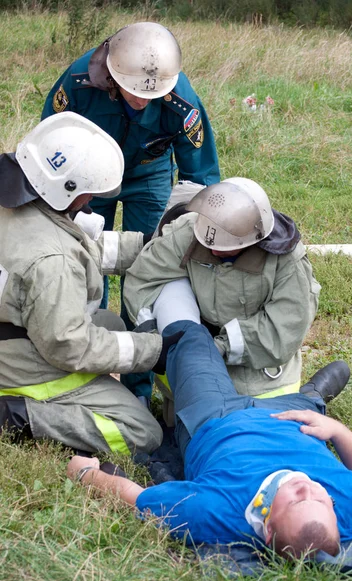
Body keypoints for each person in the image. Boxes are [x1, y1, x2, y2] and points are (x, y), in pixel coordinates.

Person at [67, 282, 352, 558]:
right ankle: (315, 395)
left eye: (296, 500)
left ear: (267, 529)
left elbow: (134, 497)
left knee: (191, 341)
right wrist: (340, 433)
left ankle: (163, 316)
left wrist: (85, 474)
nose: (306, 487)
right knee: (309, 408)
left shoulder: (215, 512)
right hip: (293, 419)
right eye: (321, 498)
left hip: (216, 417)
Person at [42, 21, 221, 405]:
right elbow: (50, 142)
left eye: (152, 95)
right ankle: (89, 369)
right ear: (113, 75)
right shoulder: (77, 83)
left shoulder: (180, 100)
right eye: (135, 92)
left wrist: (199, 228)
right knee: (84, 256)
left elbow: (199, 176)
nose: (143, 100)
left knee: (151, 264)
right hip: (90, 176)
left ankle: (138, 386)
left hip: (149, 174)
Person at [0, 112, 182, 456]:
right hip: (22, 365)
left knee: (110, 323)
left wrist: (149, 247)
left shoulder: (19, 203)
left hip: (14, 328)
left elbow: (80, 248)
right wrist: (153, 351)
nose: (90, 201)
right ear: (65, 189)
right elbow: (70, 347)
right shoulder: (52, 261)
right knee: (142, 433)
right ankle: (21, 414)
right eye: (88, 193)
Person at [123, 177, 321, 423]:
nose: (215, 251)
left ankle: (311, 397)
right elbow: (145, 279)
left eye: (226, 248)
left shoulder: (287, 261)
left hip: (262, 383)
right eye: (210, 244)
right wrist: (157, 334)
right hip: (188, 378)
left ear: (253, 239)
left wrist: (215, 348)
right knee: (184, 430)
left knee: (253, 437)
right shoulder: (190, 231)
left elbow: (283, 329)